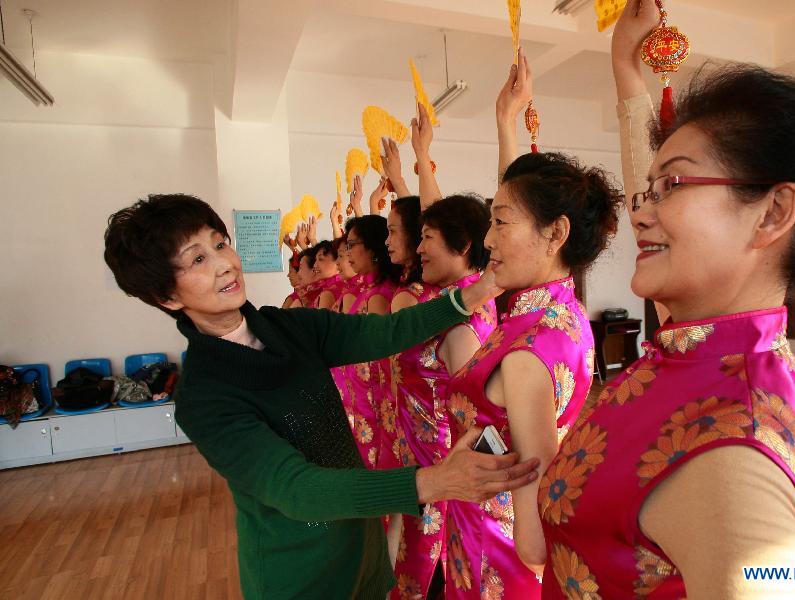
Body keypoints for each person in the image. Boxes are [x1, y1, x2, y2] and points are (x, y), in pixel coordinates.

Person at [535, 2, 795, 598]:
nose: (640, 210)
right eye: (648, 189)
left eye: (670, 185)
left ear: (774, 212)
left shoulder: (735, 440)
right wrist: (626, 69)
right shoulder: (693, 345)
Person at [102, 193, 540, 600]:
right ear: (166, 295)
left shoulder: (288, 328)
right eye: (197, 258)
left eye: (220, 244)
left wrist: (480, 291)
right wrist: (435, 481)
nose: (224, 264)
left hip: (360, 549)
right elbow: (296, 489)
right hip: (299, 572)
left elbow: (385, 332)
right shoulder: (204, 396)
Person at [441, 51, 623, 599]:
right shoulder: (553, 314)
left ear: (556, 234)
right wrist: (506, 124)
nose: (488, 239)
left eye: (499, 223)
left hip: (491, 557)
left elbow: (536, 539)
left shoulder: (528, 349)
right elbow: (522, 207)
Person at [389, 194, 498, 598]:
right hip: (422, 456)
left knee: (424, 573)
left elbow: (474, 413)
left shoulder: (461, 317)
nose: (419, 249)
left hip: (439, 465)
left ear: (464, 245)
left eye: (428, 237)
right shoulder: (451, 302)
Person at [339, 214, 403, 468]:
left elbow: (376, 356)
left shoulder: (379, 295)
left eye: (352, 244)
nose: (348, 252)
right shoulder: (367, 289)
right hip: (359, 397)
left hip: (372, 401)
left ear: (372, 247)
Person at [310, 239, 343, 310]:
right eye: (316, 260)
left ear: (337, 261)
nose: (315, 265)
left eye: (321, 259)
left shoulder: (328, 293)